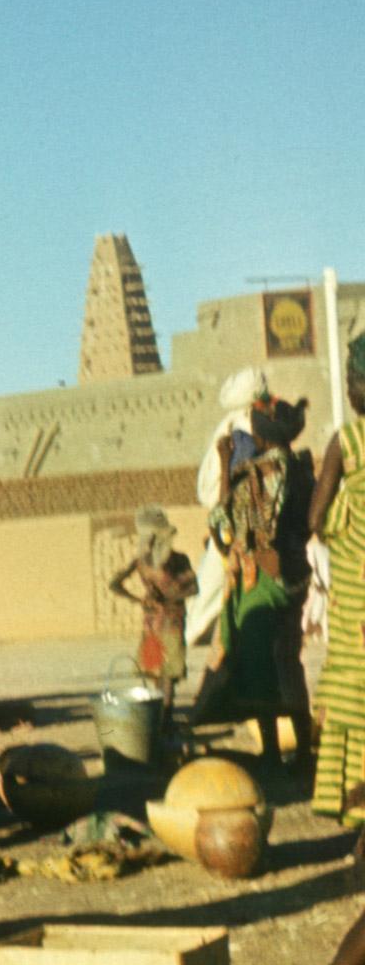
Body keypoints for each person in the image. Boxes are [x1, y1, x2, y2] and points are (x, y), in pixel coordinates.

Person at [195, 393, 316, 767]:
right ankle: (304, 749)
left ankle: (269, 751)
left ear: (262, 437)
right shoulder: (302, 469)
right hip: (293, 576)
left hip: (258, 580)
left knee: (259, 665)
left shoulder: (255, 475)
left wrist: (225, 461)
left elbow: (222, 524)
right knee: (289, 662)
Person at [311, 337, 365, 855]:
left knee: (355, 700)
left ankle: (359, 812)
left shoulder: (345, 441)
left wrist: (335, 521)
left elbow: (314, 518)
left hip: (357, 604)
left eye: (352, 381)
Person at [187, 368, 269, 650]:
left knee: (214, 583)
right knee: (213, 583)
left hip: (234, 518)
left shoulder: (238, 428)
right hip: (235, 518)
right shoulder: (243, 428)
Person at [106, 505, 198, 722]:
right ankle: (163, 719)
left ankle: (162, 719)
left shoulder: (157, 562)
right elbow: (193, 588)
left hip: (162, 623)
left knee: (165, 674)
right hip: (166, 624)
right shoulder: (165, 561)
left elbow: (193, 588)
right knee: (163, 674)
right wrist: (144, 599)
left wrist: (149, 599)